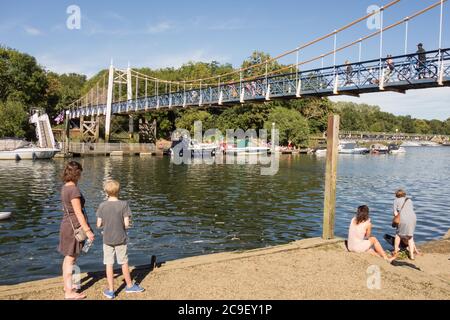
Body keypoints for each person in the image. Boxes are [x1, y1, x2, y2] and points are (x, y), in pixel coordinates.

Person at [96, 180, 145, 299]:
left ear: (106, 192)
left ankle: (111, 290)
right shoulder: (124, 204)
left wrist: (105, 225)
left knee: (109, 264)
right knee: (123, 262)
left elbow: (98, 224)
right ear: (119, 191)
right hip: (121, 238)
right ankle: (129, 286)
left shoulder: (102, 205)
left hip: (107, 239)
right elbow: (127, 224)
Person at [58, 161, 95, 300]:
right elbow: (78, 213)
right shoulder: (74, 190)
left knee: (68, 258)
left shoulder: (65, 187)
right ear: (77, 173)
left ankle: (67, 286)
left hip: (66, 225)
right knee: (71, 259)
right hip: (74, 228)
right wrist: (88, 231)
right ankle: (69, 293)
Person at [392, 189, 420, 260]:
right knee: (410, 237)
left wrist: (395, 220)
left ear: (396, 195)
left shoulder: (396, 200)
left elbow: (395, 213)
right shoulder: (409, 200)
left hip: (403, 218)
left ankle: (396, 251)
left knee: (398, 235)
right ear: (404, 194)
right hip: (413, 218)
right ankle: (412, 256)